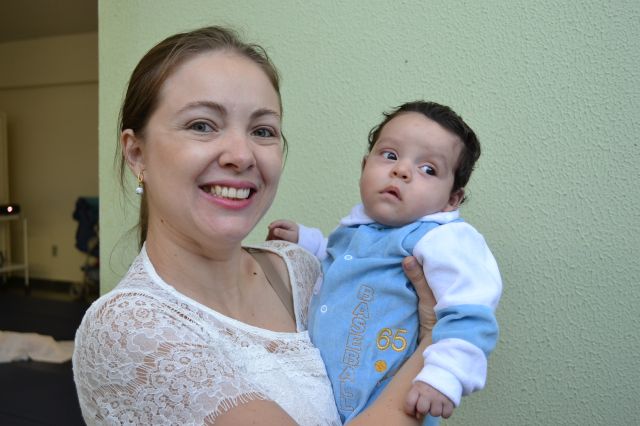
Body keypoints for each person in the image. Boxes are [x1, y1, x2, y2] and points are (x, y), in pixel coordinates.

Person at [72, 26, 437, 426]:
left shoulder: (302, 271)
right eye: (202, 125)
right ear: (137, 153)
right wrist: (434, 342)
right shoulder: (128, 329)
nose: (241, 155)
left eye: (262, 131)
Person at [268, 101, 502, 424]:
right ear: (365, 166)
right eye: (390, 155)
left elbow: (471, 309)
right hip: (327, 401)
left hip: (389, 399)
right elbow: (341, 263)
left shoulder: (439, 238)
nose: (401, 170)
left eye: (428, 169)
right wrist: (307, 241)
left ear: (451, 200)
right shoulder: (356, 229)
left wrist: (446, 373)